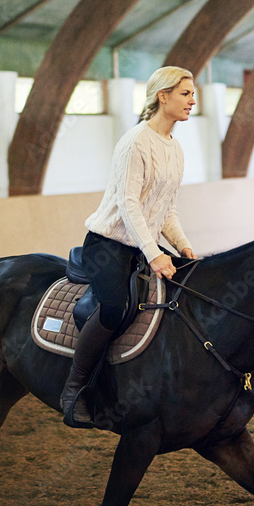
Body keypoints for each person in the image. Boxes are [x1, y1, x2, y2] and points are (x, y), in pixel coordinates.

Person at [60, 66, 198, 427]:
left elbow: (166, 209)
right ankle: (74, 388)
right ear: (162, 96)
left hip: (141, 244)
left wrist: (183, 248)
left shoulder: (175, 148)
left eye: (193, 93)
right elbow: (128, 203)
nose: (192, 100)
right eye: (185, 93)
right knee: (115, 308)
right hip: (107, 245)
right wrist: (154, 253)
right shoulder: (136, 141)